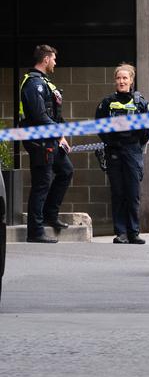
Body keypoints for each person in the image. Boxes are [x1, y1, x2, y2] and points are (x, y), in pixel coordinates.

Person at [20, 44, 73, 243]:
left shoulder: (45, 82)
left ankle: (50, 215)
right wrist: (59, 132)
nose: (55, 63)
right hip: (40, 142)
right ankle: (35, 231)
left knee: (66, 171)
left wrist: (61, 136)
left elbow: (53, 113)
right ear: (45, 60)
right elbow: (39, 115)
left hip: (52, 140)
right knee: (41, 184)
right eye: (54, 59)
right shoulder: (33, 84)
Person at [96, 63, 149, 245]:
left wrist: (137, 141)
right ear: (115, 81)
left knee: (133, 193)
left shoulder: (140, 102)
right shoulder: (106, 102)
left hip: (132, 151)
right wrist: (110, 141)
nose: (121, 81)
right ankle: (120, 233)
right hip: (114, 151)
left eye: (125, 78)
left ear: (131, 80)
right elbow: (99, 124)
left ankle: (134, 232)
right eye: (118, 78)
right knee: (118, 192)